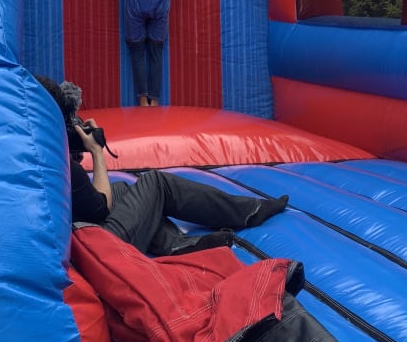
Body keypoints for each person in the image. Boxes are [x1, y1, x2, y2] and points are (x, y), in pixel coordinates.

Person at [36, 77, 288, 256]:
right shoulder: (61, 163)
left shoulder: (33, 152)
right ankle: (247, 212)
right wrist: (96, 152)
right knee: (156, 183)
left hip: (72, 238)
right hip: (94, 250)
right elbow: (101, 208)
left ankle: (177, 244)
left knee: (123, 189)